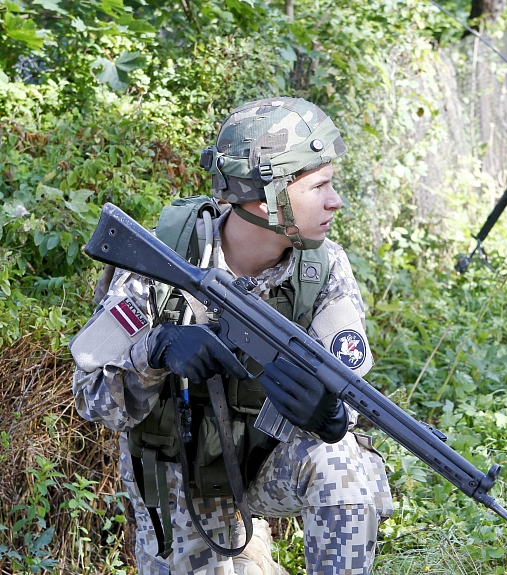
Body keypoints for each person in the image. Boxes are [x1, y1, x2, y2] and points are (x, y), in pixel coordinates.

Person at [70, 97, 393, 575]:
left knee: (346, 466)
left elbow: (350, 389)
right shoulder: (164, 261)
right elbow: (91, 399)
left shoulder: (322, 268)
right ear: (267, 199)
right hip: (182, 478)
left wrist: (330, 415)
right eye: (320, 186)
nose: (335, 200)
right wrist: (154, 352)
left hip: (266, 461)